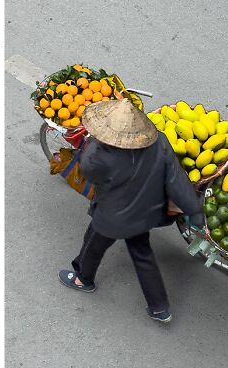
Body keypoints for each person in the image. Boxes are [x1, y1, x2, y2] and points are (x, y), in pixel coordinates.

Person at [57, 98, 203, 323]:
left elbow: (88, 171)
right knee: (142, 254)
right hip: (145, 211)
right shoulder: (160, 142)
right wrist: (195, 212)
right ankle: (159, 308)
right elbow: (177, 181)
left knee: (93, 242)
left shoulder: (98, 155)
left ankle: (83, 279)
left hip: (113, 215)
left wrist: (94, 145)